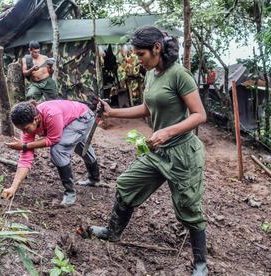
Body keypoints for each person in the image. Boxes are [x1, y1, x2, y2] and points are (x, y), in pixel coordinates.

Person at [88, 26, 208, 276]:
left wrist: (167, 131)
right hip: (157, 152)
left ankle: (200, 264)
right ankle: (112, 232)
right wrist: (113, 112)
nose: (137, 59)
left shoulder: (179, 75)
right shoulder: (152, 74)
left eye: (140, 54)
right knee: (126, 185)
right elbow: (147, 107)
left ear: (157, 48)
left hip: (182, 153)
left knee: (188, 208)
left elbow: (199, 115)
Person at [1, 100, 101, 205]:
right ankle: (94, 179)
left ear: (36, 119)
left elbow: (53, 139)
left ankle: (70, 192)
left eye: (26, 129)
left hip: (83, 118)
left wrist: (25, 145)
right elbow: (26, 157)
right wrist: (13, 187)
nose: (25, 132)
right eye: (22, 130)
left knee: (58, 150)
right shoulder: (28, 125)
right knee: (80, 147)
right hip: (69, 120)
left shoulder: (51, 114)